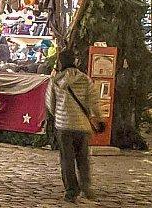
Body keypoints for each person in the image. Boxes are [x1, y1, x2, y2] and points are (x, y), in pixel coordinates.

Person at [49, 51, 97, 203]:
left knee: (67, 159)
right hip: (82, 126)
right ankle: (86, 187)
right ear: (75, 62)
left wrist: (59, 114)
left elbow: (50, 104)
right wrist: (97, 117)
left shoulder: (56, 81)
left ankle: (71, 190)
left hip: (64, 126)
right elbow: (93, 102)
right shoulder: (85, 79)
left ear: (61, 63)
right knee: (83, 158)